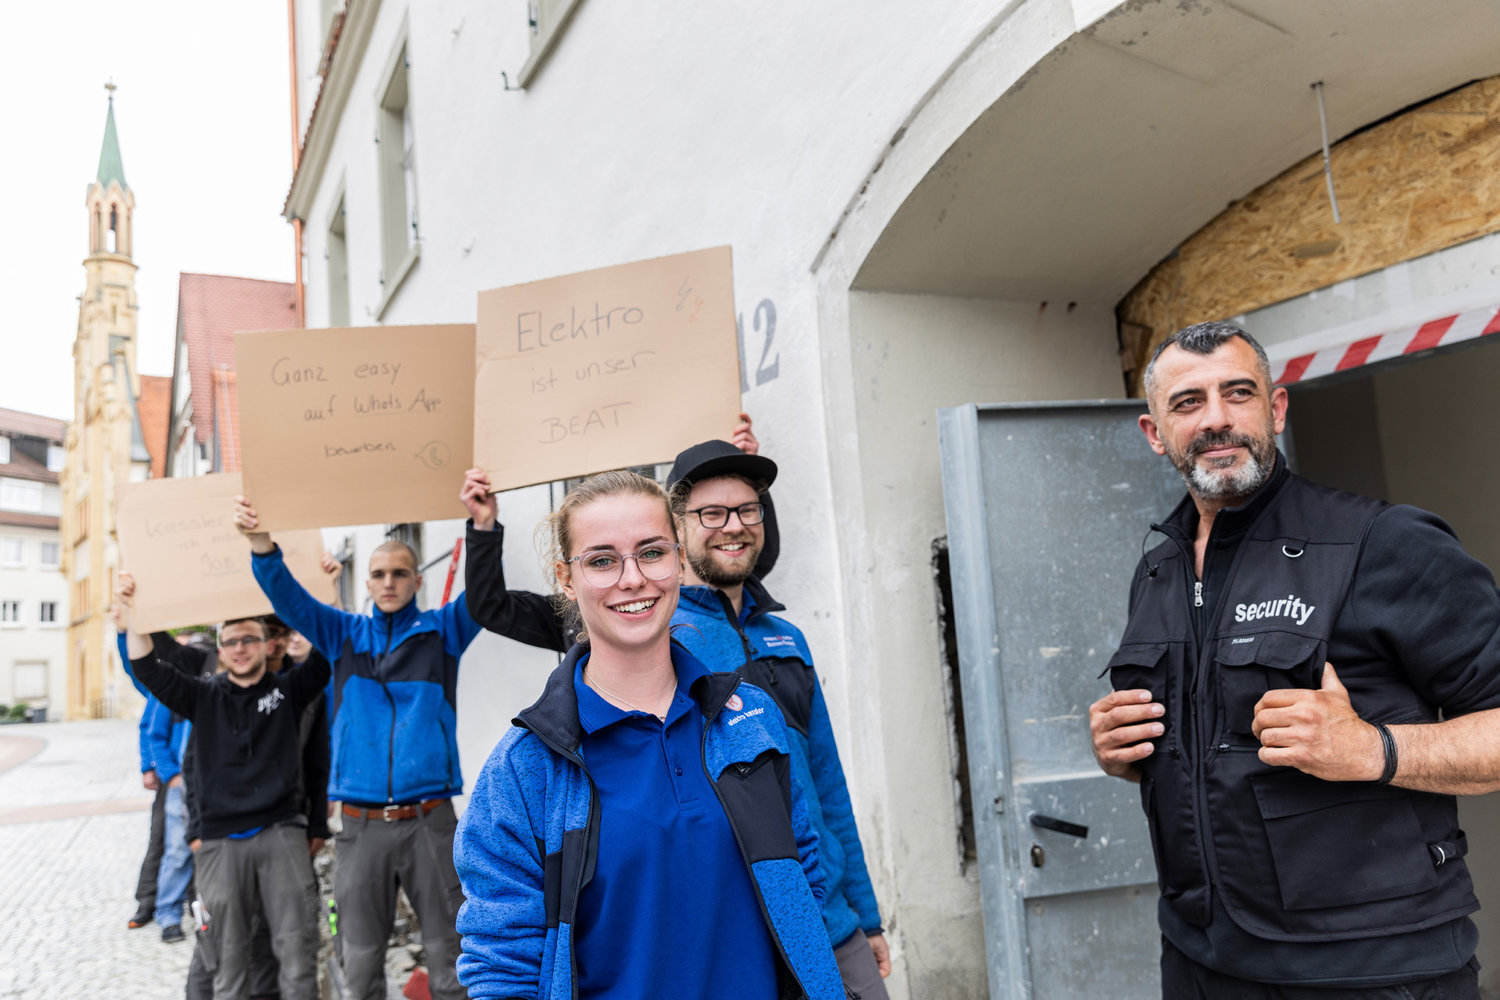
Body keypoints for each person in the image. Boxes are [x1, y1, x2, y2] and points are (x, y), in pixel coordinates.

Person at [1089, 321, 1500, 998]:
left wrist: (1374, 749)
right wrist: (1124, 755)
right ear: (1153, 433)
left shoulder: (1381, 542)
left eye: (1239, 393)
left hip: (1371, 968)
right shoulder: (1158, 570)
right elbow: (1212, 757)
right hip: (1201, 961)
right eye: (1188, 402)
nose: (1216, 420)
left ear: (1275, 409)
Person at [451, 470, 845, 1000]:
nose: (632, 578)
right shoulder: (525, 769)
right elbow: (503, 970)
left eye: (652, 552)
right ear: (566, 579)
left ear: (681, 561)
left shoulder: (750, 720)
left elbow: (804, 880)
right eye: (602, 560)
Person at [234, 495, 483, 1000]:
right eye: (379, 574)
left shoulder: (443, 635)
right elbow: (290, 601)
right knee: (360, 959)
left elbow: (483, 594)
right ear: (366, 583)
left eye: (399, 573)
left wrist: (483, 527)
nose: (389, 582)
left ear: (417, 581)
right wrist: (262, 545)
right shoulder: (343, 636)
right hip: (360, 827)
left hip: (430, 822)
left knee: (450, 960)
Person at [665, 438, 890, 997]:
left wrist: (866, 914)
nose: (733, 526)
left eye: (747, 510)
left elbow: (827, 780)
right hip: (740, 934)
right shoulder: (666, 641)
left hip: (833, 921)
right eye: (711, 513)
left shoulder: (787, 638)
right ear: (676, 526)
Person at [117, 577, 327, 1000]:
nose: (240, 648)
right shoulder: (202, 696)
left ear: (267, 645)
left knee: (296, 953)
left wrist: (329, 591)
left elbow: (326, 656)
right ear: (221, 649)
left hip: (281, 832)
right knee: (225, 960)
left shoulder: (287, 692)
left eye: (249, 639)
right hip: (219, 842)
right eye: (231, 641)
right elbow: (146, 667)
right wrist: (132, 613)